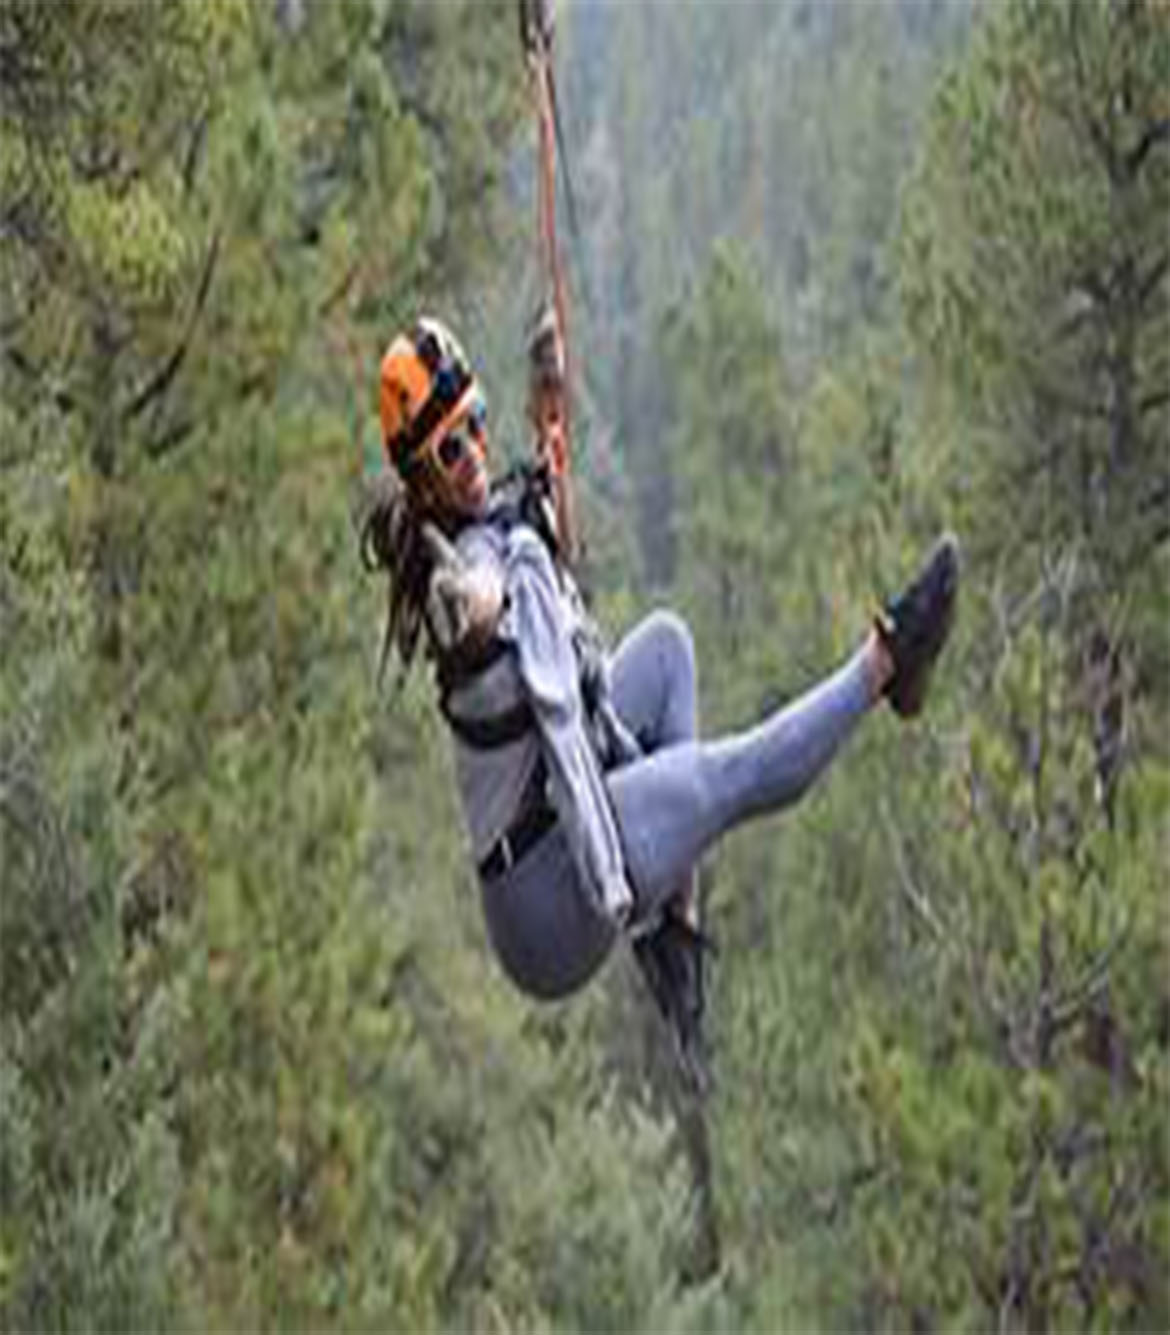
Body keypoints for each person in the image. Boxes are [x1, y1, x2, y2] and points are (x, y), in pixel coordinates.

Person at [362, 316, 959, 1092]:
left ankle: (673, 930)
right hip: (544, 906)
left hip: (552, 825)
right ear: (423, 478)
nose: (474, 454)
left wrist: (548, 411)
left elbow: (551, 561)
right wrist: (460, 603)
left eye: (474, 424)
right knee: (727, 777)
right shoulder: (465, 575)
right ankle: (890, 661)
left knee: (669, 650)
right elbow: (482, 603)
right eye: (450, 448)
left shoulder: (499, 522)